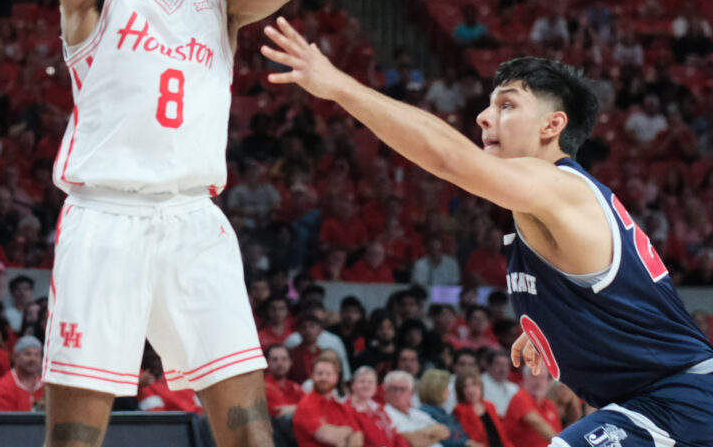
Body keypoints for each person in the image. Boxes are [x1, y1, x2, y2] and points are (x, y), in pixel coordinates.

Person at [43, 0, 311, 447]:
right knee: (74, 439)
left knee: (250, 431)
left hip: (195, 222)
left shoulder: (216, 1)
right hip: (106, 223)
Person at [260, 22, 713, 446]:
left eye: (507, 104)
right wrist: (555, 323)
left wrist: (340, 85)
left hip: (685, 400)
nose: (482, 116)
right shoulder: (551, 202)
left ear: (552, 125)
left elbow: (448, 159)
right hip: (670, 399)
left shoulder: (557, 186)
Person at [292, 353, 364, 447]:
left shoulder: (343, 407)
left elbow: (358, 439)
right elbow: (326, 436)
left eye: (328, 374)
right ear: (312, 376)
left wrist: (338, 436)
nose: (323, 378)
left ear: (336, 378)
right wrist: (348, 430)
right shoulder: (306, 404)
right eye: (319, 373)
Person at [382, 370, 450, 447]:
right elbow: (412, 442)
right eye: (394, 388)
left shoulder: (416, 413)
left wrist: (423, 434)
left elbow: (444, 432)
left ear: (411, 393)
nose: (398, 393)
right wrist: (432, 434)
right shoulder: (383, 413)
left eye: (402, 389)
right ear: (386, 391)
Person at [417, 369, 477, 447]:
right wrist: (466, 442)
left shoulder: (443, 412)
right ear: (437, 390)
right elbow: (442, 438)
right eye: (446, 387)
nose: (449, 391)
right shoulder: (423, 415)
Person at [502, 366, 560, 447]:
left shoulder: (550, 405)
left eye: (542, 378)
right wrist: (561, 444)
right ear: (525, 378)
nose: (538, 382)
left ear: (548, 382)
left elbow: (558, 433)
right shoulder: (520, 398)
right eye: (534, 377)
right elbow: (538, 423)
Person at [451, 370, 511, 447]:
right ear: (460, 391)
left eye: (474, 384)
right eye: (465, 386)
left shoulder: (489, 406)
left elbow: (502, 435)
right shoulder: (460, 410)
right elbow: (472, 437)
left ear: (480, 386)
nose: (470, 390)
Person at [0, 336, 44, 412]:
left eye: (37, 355)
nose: (33, 359)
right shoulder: (1, 389)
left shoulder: (45, 387)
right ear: (15, 357)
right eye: (28, 354)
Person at [263, 345, 303, 419]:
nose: (279, 363)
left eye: (284, 359)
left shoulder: (295, 386)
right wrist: (300, 408)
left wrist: (294, 408)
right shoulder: (263, 387)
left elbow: (313, 407)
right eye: (274, 359)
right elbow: (281, 413)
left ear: (290, 362)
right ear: (267, 362)